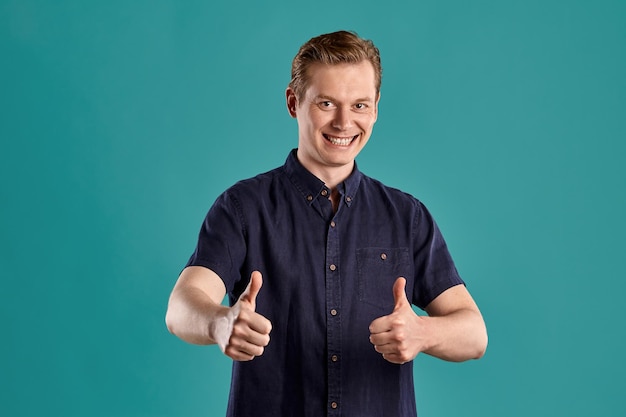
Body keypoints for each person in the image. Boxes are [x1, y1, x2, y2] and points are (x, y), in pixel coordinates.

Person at [166, 30, 487, 417]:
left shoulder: (407, 216)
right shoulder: (242, 208)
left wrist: (423, 333)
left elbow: (474, 334)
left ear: (376, 108)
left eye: (360, 105)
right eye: (327, 103)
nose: (343, 122)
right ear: (293, 102)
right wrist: (220, 323)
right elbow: (181, 307)